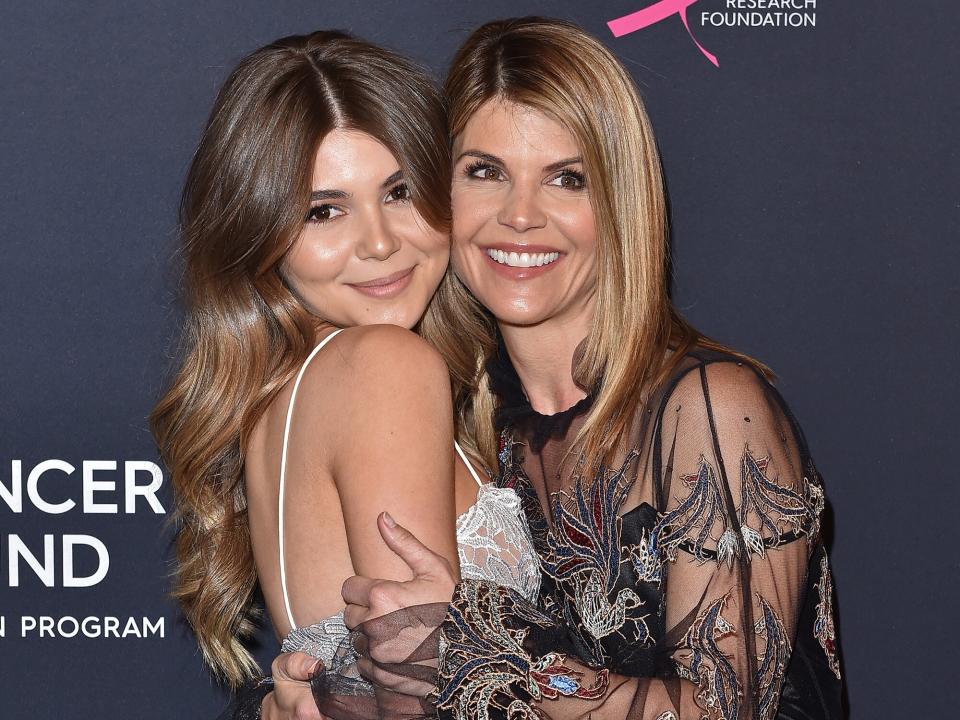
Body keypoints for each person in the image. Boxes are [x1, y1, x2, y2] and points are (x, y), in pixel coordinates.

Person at [270, 17, 844, 720]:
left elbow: (728, 709)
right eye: (485, 173)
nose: (520, 216)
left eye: (566, 179)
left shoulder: (709, 408)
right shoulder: (473, 427)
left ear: (619, 201)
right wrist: (327, 698)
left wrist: (480, 645)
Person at [150, 30, 540, 719]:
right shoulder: (383, 365)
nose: (381, 241)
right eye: (323, 211)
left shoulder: (289, 394)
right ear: (262, 236)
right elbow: (418, 699)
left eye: (399, 190)